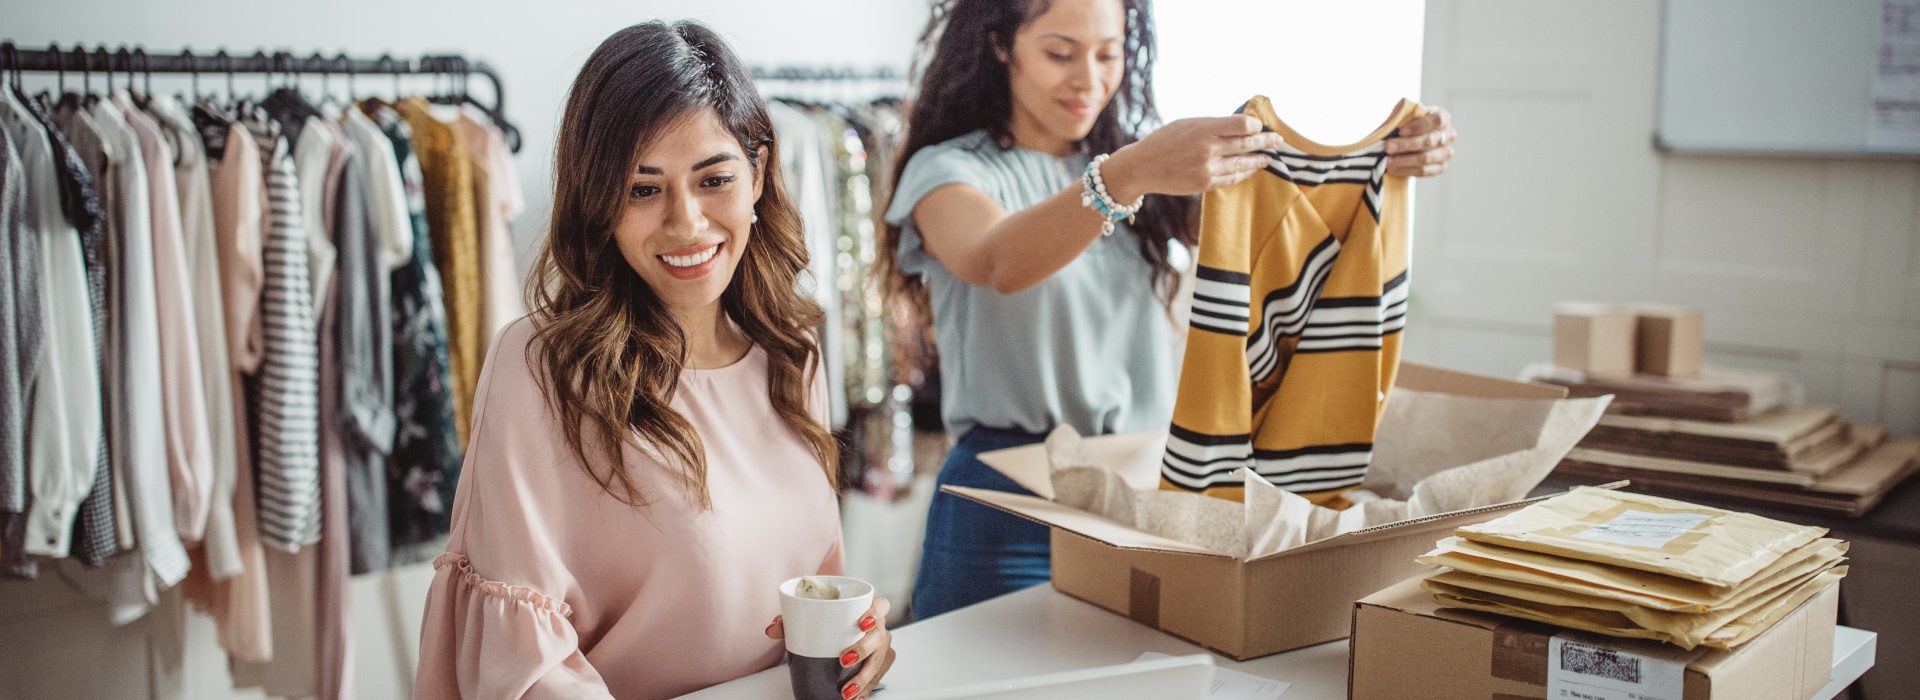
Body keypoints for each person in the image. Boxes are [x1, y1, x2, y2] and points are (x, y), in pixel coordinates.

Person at [880, 0, 1458, 620]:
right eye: (1059, 53)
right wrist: (1128, 175)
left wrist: (1388, 159)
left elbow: (1281, 231)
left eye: (1108, 54)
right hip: (1008, 501)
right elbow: (999, 261)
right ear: (1000, 46)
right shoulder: (947, 171)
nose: (1089, 80)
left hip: (1140, 492)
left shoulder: (1142, 173)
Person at [413, 21, 896, 699]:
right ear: (599, 202)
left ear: (758, 174)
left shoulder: (795, 352)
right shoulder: (541, 369)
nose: (686, 223)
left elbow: (810, 589)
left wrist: (860, 634)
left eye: (713, 179)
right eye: (644, 189)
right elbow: (525, 667)